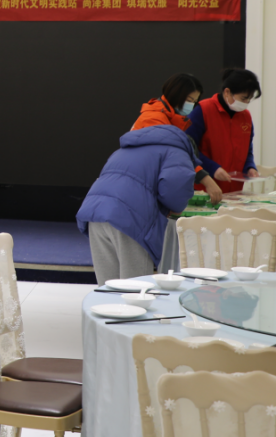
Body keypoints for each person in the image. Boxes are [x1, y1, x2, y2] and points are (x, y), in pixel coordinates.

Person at [76, 125, 197, 284]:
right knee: (135, 287)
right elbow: (176, 189)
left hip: (95, 214)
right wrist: (177, 207)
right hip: (130, 219)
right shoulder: (178, 152)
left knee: (107, 287)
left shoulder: (125, 149)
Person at [133, 73, 224, 204]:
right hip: (141, 187)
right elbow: (172, 156)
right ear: (176, 94)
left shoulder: (171, 119)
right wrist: (205, 179)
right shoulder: (154, 119)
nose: (191, 105)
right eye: (189, 100)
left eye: (194, 101)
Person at [188, 68, 262, 193]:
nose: (246, 103)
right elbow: (188, 149)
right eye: (243, 98)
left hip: (234, 191)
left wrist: (250, 167)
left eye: (249, 99)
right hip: (204, 189)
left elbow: (247, 150)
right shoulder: (203, 110)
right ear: (227, 92)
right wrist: (213, 168)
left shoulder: (246, 116)